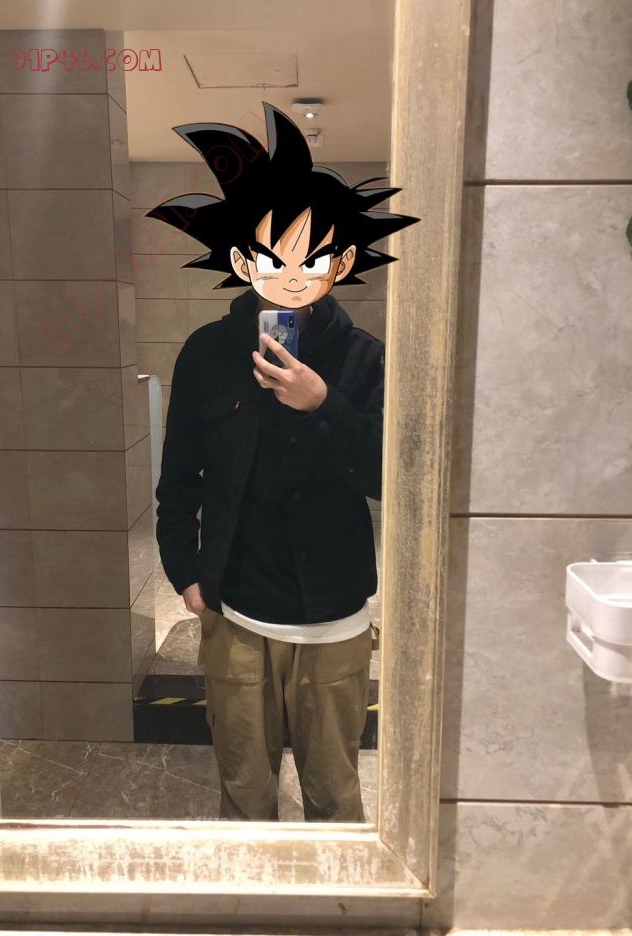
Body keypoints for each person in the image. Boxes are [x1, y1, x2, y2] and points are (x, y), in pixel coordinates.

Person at [147, 102, 419, 821]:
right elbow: (178, 475)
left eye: (314, 258)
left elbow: (389, 481)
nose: (293, 275)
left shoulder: (365, 360)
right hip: (235, 610)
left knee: (335, 795)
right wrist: (184, 573)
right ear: (242, 261)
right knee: (244, 794)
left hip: (335, 616)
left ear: (343, 263)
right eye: (272, 257)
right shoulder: (208, 353)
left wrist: (322, 404)